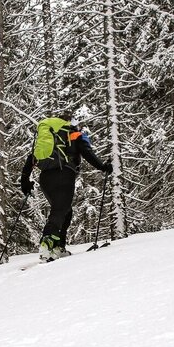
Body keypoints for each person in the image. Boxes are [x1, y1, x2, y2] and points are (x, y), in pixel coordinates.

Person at [19, 112, 112, 261]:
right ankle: (47, 244)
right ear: (71, 123)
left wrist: (25, 180)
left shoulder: (49, 138)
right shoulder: (73, 134)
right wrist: (103, 167)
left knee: (66, 211)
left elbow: (31, 158)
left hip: (45, 177)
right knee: (60, 210)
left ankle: (58, 246)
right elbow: (87, 152)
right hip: (63, 174)